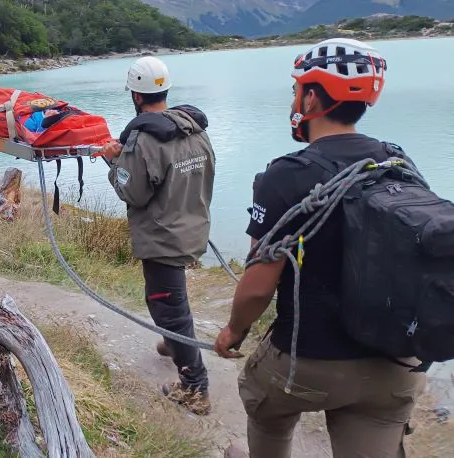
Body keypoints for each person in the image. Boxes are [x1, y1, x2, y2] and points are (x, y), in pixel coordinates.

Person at [214, 38, 426, 458]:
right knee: (377, 424)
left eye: (297, 90)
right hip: (396, 362)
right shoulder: (397, 162)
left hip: (307, 361)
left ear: (311, 97)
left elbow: (258, 287)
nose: (294, 98)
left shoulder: (285, 176)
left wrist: (233, 332)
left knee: (264, 403)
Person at [102, 56, 216, 415]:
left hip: (164, 236)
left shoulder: (145, 138)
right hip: (192, 226)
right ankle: (174, 342)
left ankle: (195, 385)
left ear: (136, 96)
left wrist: (113, 161)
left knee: (166, 304)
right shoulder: (193, 128)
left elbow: (132, 191)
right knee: (172, 300)